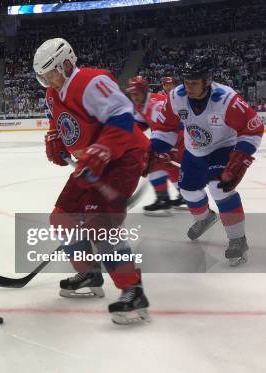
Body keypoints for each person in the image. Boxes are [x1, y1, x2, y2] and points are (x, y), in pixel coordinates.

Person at [34, 38, 150, 324]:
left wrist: (101, 150)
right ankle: (90, 273)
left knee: (100, 224)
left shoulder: (91, 81)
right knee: (62, 218)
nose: (48, 80)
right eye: (44, 76)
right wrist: (56, 140)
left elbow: (123, 117)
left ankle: (132, 290)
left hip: (123, 155)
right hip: (90, 162)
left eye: (51, 73)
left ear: (66, 63)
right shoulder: (53, 93)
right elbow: (59, 123)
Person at [155, 56, 263, 265]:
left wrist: (240, 158)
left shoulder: (227, 100)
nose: (189, 87)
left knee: (220, 188)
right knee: (187, 190)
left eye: (194, 82)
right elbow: (166, 127)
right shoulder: (176, 97)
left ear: (207, 80)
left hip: (223, 148)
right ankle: (205, 217)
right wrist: (154, 150)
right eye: (186, 82)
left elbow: (253, 129)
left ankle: (237, 239)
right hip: (193, 150)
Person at [126, 76, 185, 215]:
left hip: (177, 138)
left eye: (136, 93)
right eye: (132, 94)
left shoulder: (155, 104)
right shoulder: (141, 103)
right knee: (167, 166)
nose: (134, 97)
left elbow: (170, 126)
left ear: (144, 91)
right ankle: (183, 195)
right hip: (168, 137)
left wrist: (156, 149)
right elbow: (140, 124)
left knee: (154, 163)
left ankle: (164, 198)